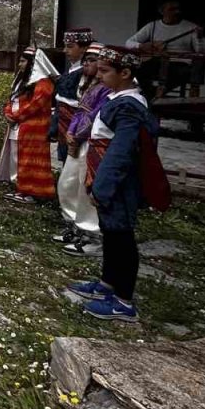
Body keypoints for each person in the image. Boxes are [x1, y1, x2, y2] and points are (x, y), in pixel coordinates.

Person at [66, 46, 161, 323]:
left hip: (118, 182)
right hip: (103, 175)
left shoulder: (130, 106)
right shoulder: (117, 98)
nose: (100, 74)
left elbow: (120, 151)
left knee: (121, 237)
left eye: (106, 71)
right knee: (110, 232)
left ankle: (123, 300)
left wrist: (102, 186)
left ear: (126, 73)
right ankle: (107, 283)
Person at [59, 43, 108, 255]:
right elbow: (79, 112)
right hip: (76, 139)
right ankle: (72, 223)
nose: (87, 64)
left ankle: (91, 235)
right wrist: (70, 131)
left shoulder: (106, 89)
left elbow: (95, 115)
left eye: (92, 60)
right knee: (66, 183)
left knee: (85, 187)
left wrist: (77, 135)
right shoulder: (88, 85)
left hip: (90, 141)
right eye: (85, 60)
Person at [0, 46, 59, 203]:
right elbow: (12, 99)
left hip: (35, 128)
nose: (20, 64)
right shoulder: (21, 81)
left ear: (33, 63)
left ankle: (34, 192)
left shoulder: (44, 83)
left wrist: (16, 116)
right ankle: (21, 187)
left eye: (23, 61)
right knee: (18, 157)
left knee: (32, 160)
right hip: (19, 126)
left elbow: (35, 104)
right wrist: (8, 112)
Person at [126, 0, 205, 93]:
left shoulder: (191, 27)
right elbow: (129, 42)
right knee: (136, 70)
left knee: (178, 74)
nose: (177, 12)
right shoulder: (152, 26)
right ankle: (150, 93)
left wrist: (199, 38)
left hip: (179, 64)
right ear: (162, 11)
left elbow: (203, 51)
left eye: (178, 9)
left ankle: (156, 94)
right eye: (172, 9)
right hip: (157, 61)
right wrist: (141, 46)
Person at [50, 28, 94, 163]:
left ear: (84, 48)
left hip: (76, 128)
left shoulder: (85, 74)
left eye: (70, 47)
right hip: (63, 125)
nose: (65, 51)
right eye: (65, 46)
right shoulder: (70, 70)